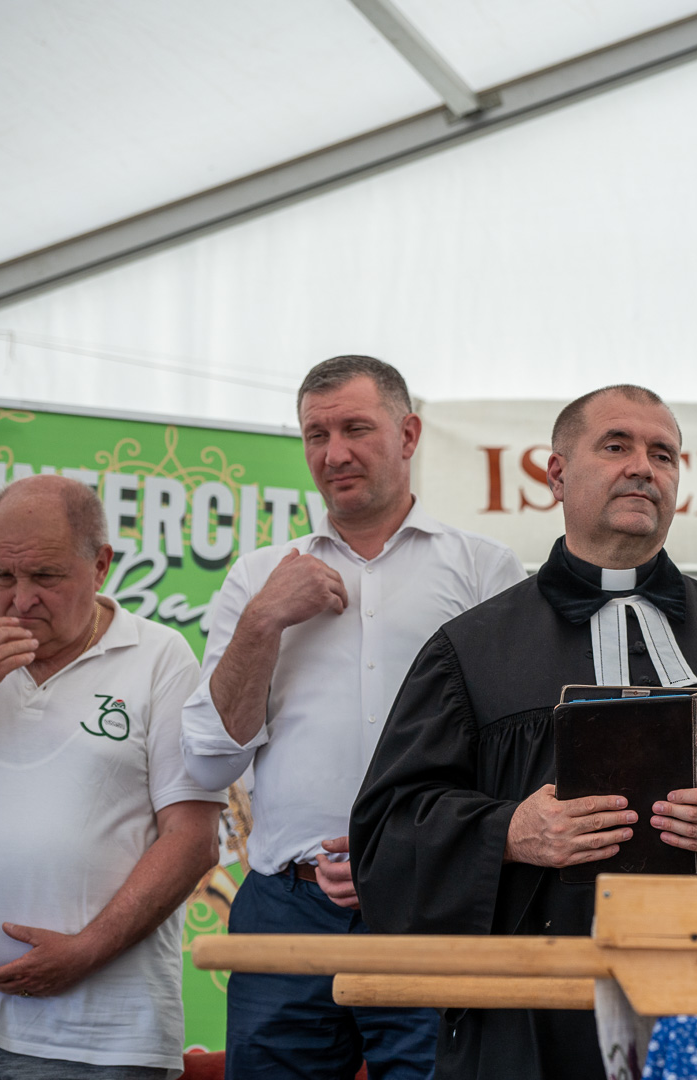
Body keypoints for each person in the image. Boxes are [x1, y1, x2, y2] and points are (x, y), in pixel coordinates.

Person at [351, 384, 697, 1080]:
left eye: (663, 454)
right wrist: (510, 832)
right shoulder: (469, 652)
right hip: (529, 1020)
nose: (642, 467)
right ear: (557, 473)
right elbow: (388, 832)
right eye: (616, 445)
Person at [180, 356, 525, 1080]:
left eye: (356, 429)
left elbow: (510, 759)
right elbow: (210, 760)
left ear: (409, 435)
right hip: (286, 903)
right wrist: (263, 620)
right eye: (316, 434)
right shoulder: (258, 577)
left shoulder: (484, 570)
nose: (333, 453)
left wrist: (405, 863)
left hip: (430, 905)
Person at [0, 474, 224, 1078]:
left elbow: (192, 840)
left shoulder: (159, 657)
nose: (20, 599)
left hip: (100, 1032)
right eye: (2, 576)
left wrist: (86, 951)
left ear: (101, 564)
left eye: (45, 576)